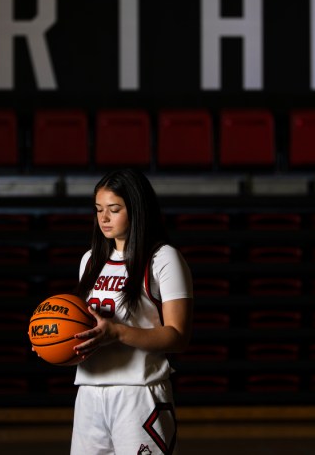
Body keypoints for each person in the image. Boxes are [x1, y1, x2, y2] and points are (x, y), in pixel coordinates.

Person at [70, 168, 194, 455]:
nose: (103, 218)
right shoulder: (90, 260)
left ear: (137, 210)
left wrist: (118, 332)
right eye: (99, 209)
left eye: (114, 209)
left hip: (139, 393)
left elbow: (178, 336)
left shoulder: (163, 258)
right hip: (89, 393)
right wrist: (57, 344)